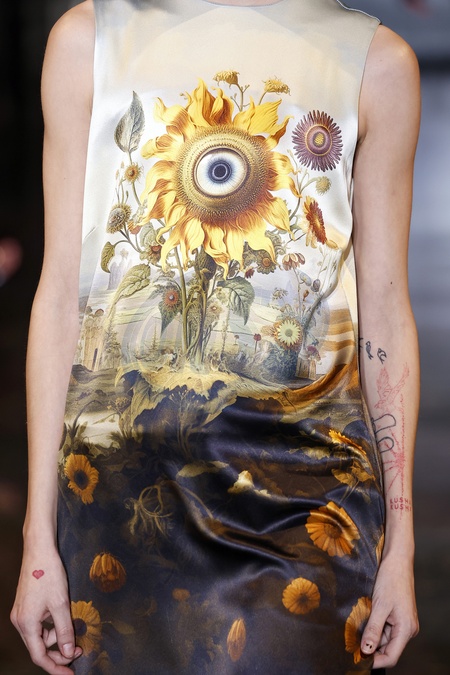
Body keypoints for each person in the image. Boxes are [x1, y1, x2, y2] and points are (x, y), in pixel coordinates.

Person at [11, 0, 420, 672]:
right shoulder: (89, 42)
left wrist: (401, 541)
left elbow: (384, 310)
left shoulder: (376, 64)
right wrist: (38, 538)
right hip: (119, 502)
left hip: (306, 501)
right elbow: (60, 296)